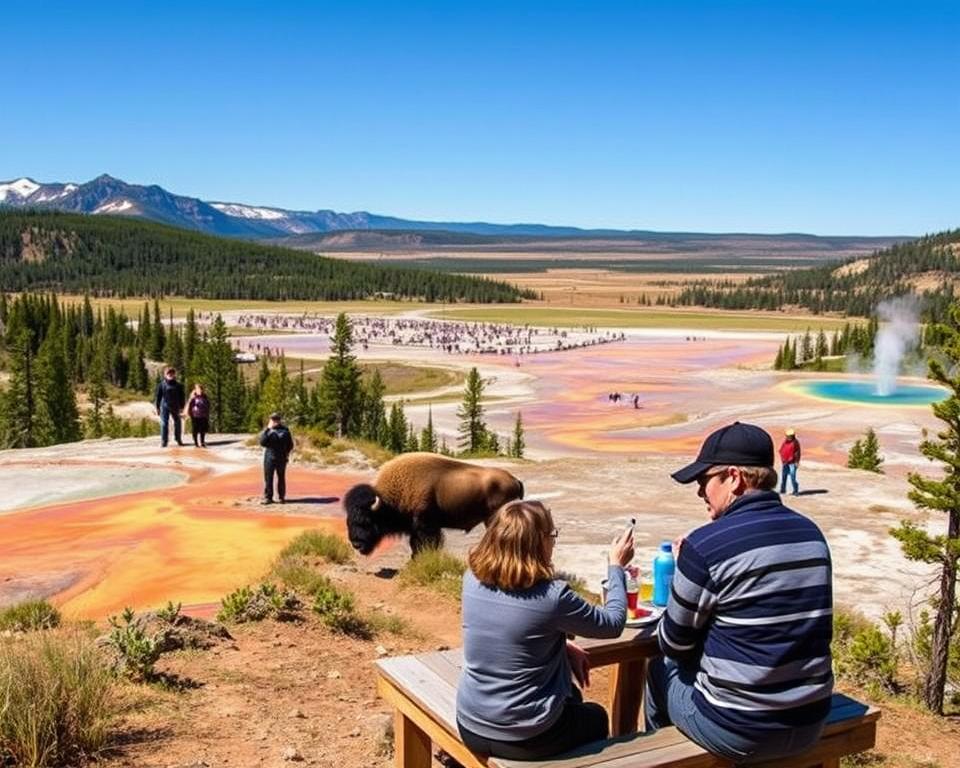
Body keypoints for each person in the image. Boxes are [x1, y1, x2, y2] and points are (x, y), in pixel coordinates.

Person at [645, 421, 833, 764]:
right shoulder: (812, 535)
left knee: (660, 669)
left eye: (704, 481)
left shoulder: (705, 546)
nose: (700, 492)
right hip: (811, 720)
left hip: (740, 729)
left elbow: (673, 644)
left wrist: (684, 574)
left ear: (733, 477)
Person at [456, 500, 635, 760]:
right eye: (552, 535)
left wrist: (560, 645)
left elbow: (509, 631)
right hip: (527, 737)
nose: (554, 542)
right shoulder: (552, 597)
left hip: (471, 722)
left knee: (571, 697)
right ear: (538, 543)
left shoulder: (471, 579)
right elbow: (613, 623)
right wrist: (616, 567)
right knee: (596, 717)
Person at [259, 412, 293, 504]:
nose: (275, 421)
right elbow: (262, 442)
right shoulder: (268, 430)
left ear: (279, 420)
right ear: (270, 420)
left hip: (281, 457)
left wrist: (286, 454)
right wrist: (268, 429)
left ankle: (281, 497)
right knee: (268, 478)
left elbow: (290, 445)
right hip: (269, 457)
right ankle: (268, 498)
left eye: (277, 419)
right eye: (273, 419)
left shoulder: (285, 430)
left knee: (281, 477)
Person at [153, 367, 186, 447]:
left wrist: (182, 407)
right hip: (164, 406)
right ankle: (164, 441)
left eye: (172, 373)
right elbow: (158, 396)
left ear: (174, 374)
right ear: (165, 375)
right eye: (168, 373)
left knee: (178, 422)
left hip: (176, 406)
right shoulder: (161, 385)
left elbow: (182, 396)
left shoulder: (179, 385)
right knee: (164, 424)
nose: (170, 374)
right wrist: (157, 407)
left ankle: (178, 439)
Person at [184, 383, 211, 447]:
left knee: (202, 429)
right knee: (195, 429)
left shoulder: (205, 396)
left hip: (203, 415)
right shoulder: (193, 397)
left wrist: (207, 413)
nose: (200, 390)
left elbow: (208, 405)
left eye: (201, 389)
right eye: (198, 389)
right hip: (195, 415)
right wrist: (188, 413)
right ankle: (196, 442)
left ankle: (202, 442)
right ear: (195, 390)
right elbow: (188, 405)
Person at [779, 427, 801, 496]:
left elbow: (798, 453)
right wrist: (783, 459)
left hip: (792, 463)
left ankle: (795, 490)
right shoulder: (785, 442)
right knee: (784, 476)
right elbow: (781, 450)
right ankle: (783, 489)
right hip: (785, 462)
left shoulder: (795, 443)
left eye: (790, 436)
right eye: (788, 436)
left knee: (792, 477)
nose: (789, 437)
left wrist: (797, 462)